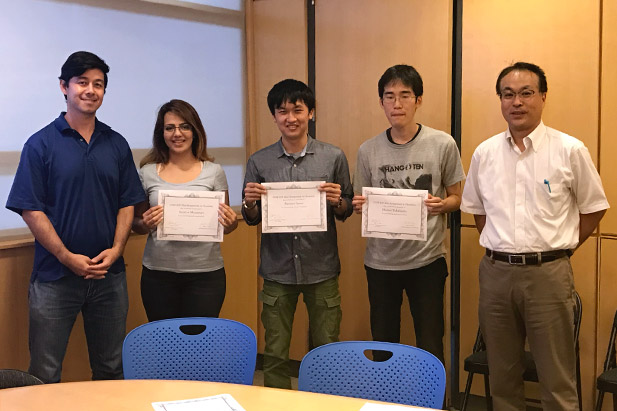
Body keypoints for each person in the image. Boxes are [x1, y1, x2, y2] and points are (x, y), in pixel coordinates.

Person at [461, 62, 609, 410]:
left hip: (548, 276)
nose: (517, 102)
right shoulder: (485, 153)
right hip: (496, 275)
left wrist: (561, 247)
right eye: (508, 94)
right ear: (500, 100)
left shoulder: (569, 150)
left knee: (556, 378)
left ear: (543, 96)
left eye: (526, 93)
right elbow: (477, 211)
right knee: (502, 376)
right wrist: (504, 247)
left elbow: (594, 208)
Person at [5, 51, 145, 383]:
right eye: (82, 82)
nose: (91, 90)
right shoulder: (40, 144)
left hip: (109, 277)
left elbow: (128, 202)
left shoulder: (116, 143)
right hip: (54, 278)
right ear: (64, 87)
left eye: (98, 84)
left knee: (111, 368)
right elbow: (31, 209)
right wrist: (67, 257)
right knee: (45, 371)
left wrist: (117, 250)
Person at [242, 79, 353, 389]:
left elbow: (346, 209)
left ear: (311, 113)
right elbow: (251, 217)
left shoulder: (333, 157)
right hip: (277, 270)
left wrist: (337, 201)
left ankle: (326, 403)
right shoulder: (259, 161)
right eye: (282, 111)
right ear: (274, 116)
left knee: (327, 348)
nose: (290, 118)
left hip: (322, 268)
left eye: (298, 110)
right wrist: (250, 202)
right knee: (275, 352)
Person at [351, 64, 465, 364]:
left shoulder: (442, 144)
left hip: (427, 261)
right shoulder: (368, 150)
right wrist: (359, 205)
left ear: (419, 100)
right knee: (384, 343)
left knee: (430, 341)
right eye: (389, 97)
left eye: (405, 95)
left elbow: (457, 198)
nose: (397, 104)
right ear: (381, 102)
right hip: (380, 263)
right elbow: (360, 200)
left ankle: (432, 405)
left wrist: (443, 205)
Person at [132, 99, 238, 321]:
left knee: (199, 344)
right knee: (164, 342)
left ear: (195, 130)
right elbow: (137, 224)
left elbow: (227, 226)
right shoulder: (147, 172)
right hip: (158, 275)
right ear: (161, 133)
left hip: (206, 275)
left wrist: (231, 223)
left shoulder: (214, 172)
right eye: (169, 128)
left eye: (184, 126)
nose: (177, 133)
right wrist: (146, 222)